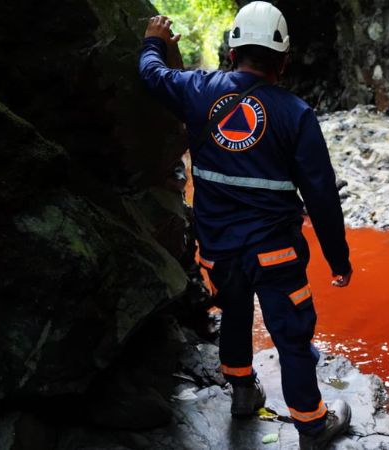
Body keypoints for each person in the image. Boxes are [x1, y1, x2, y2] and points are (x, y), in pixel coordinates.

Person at [139, 2, 353, 448]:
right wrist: (339, 259)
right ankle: (312, 425)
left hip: (219, 249)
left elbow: (153, 75)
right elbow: (321, 196)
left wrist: (153, 41)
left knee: (235, 314)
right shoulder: (295, 114)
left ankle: (241, 394)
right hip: (275, 251)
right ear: (284, 61)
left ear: (232, 52)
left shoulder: (199, 90)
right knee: (291, 334)